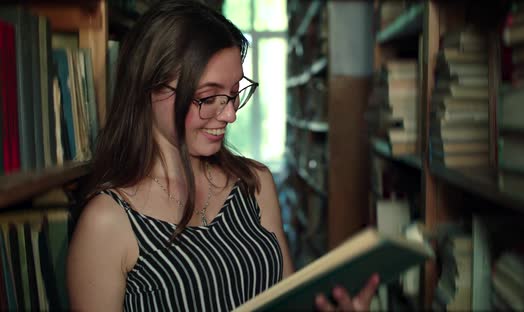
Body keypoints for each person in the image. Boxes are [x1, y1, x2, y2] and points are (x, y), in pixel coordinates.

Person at [67, 0, 379, 311]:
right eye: (208, 97)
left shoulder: (255, 185)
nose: (230, 114)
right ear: (149, 88)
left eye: (233, 94)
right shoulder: (106, 222)